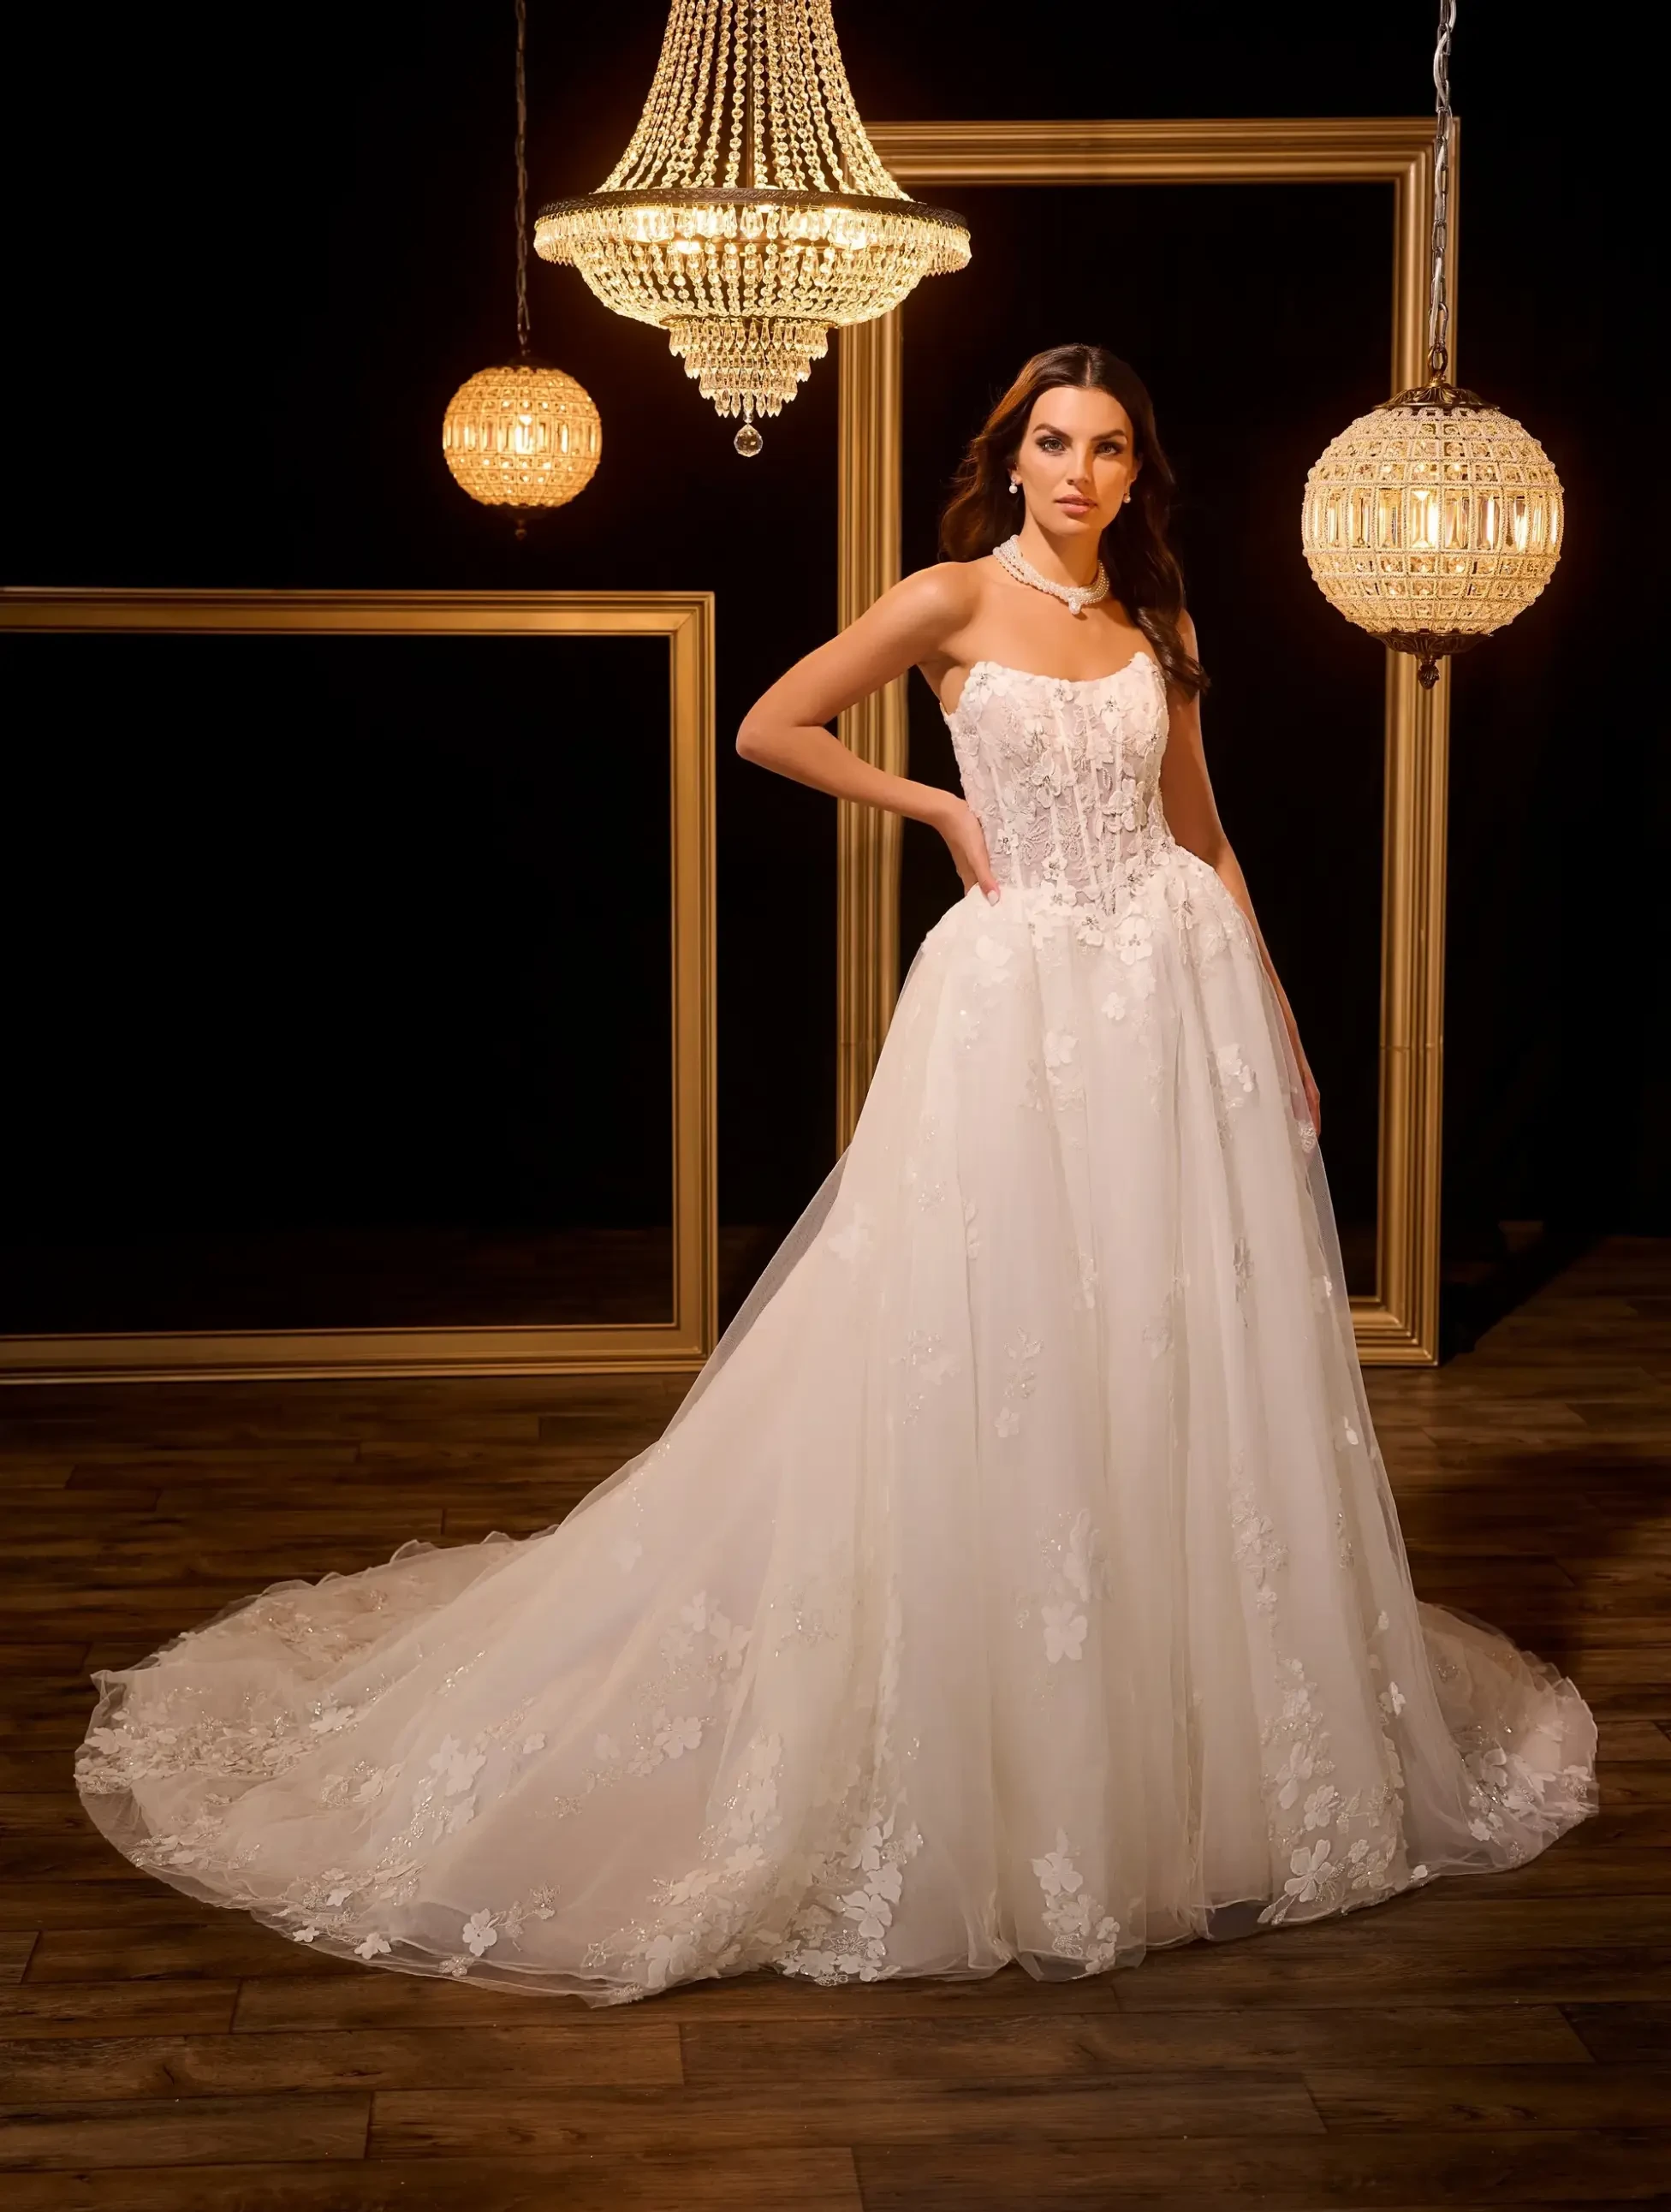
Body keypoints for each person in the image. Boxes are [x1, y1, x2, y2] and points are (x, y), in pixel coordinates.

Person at [77, 344, 1597, 2002]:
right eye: (1050, 443)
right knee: (993, 1359)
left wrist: (1280, 1014)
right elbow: (769, 724)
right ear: (1010, 459)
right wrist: (933, 809)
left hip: (1171, 1010)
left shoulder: (1156, 629)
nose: (1077, 472)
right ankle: (999, 1746)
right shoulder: (949, 598)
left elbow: (1204, 835)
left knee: (1161, 1358)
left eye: (1106, 450)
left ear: (1135, 476)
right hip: (1013, 1012)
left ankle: (1169, 1740)